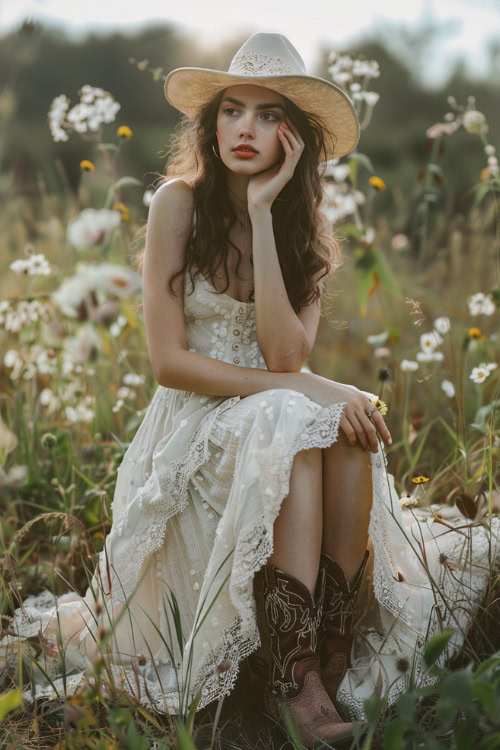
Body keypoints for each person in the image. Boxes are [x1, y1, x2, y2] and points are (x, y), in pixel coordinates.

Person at [3, 31, 498, 750]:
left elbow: (285, 353)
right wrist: (313, 392)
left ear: (294, 138)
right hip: (190, 431)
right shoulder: (177, 203)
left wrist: (266, 217)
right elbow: (171, 362)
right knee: (298, 416)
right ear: (212, 123)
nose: (245, 127)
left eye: (269, 116)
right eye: (233, 109)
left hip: (272, 420)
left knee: (338, 427)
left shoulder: (302, 231)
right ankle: (292, 677)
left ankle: (325, 651)